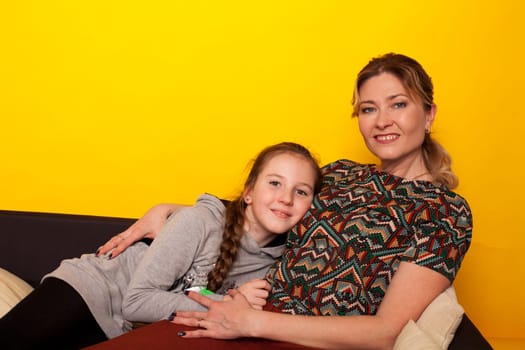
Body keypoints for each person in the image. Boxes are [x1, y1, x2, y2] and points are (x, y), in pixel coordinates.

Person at [96, 53, 473, 349]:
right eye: (368, 109)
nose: (381, 121)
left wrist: (251, 322)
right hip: (242, 313)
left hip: (298, 336)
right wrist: (173, 211)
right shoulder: (341, 174)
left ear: (429, 114)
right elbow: (273, 209)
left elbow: (386, 331)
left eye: (398, 105)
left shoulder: (444, 211)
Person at [0, 142, 323, 350]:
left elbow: (197, 296)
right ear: (249, 192)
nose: (285, 197)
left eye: (301, 191)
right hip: (91, 289)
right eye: (275, 183)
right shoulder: (201, 222)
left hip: (120, 329)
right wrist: (228, 306)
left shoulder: (280, 263)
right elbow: (137, 301)